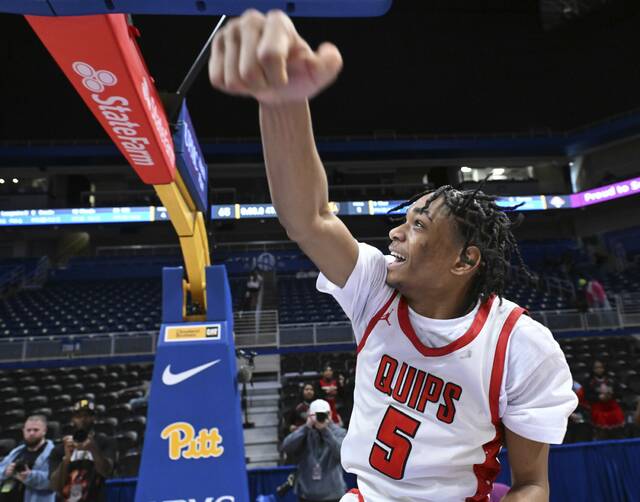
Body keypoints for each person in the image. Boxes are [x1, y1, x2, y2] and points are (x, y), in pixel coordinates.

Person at [209, 10, 577, 501]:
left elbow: (532, 485)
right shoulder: (376, 289)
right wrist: (282, 102)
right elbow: (309, 217)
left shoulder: (521, 346)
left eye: (418, 225)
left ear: (464, 261)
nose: (395, 232)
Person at [49, 400, 116, 502]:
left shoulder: (105, 442)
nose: (83, 420)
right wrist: (67, 459)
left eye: (87, 415)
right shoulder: (60, 449)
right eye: (78, 416)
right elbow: (55, 486)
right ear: (73, 419)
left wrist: (93, 449)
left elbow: (107, 472)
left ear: (94, 418)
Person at [281, 399, 347, 502]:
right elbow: (286, 447)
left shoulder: (339, 432)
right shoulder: (304, 432)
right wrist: (305, 427)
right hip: (307, 495)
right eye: (316, 415)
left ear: (330, 414)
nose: (320, 418)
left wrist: (325, 431)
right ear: (309, 416)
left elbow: (342, 454)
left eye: (324, 415)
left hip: (334, 494)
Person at [0, 415, 55, 502]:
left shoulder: (53, 453)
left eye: (36, 430)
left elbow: (55, 482)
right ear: (23, 431)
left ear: (44, 431)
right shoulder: (17, 452)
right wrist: (5, 472)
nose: (31, 433)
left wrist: (30, 476)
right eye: (28, 430)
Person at [585, 360, 625, 439]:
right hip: (598, 407)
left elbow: (620, 394)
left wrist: (611, 395)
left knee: (618, 415)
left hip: (612, 406)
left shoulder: (612, 380)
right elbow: (588, 396)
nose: (599, 369)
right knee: (602, 432)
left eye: (601, 367)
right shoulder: (589, 382)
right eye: (596, 368)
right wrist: (599, 397)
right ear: (593, 369)